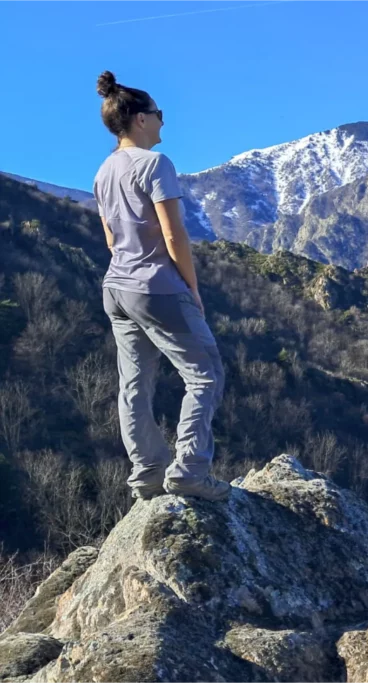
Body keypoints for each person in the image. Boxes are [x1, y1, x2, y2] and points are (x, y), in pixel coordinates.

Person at [93, 70, 230, 502]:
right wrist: (192, 288)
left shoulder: (103, 171)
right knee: (206, 376)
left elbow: (111, 238)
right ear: (140, 119)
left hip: (116, 288)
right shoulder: (155, 164)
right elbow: (174, 235)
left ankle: (147, 475)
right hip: (157, 286)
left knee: (134, 384)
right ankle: (189, 470)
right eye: (158, 113)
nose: (162, 120)